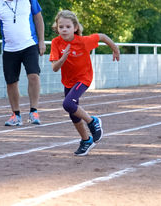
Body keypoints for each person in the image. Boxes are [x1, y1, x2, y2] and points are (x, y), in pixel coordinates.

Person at [49, 10, 119, 156]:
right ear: (57, 27)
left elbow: (103, 37)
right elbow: (55, 68)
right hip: (68, 81)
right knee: (73, 113)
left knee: (68, 104)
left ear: (75, 28)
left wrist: (115, 49)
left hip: (84, 78)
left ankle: (92, 121)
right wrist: (63, 57)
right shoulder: (56, 43)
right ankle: (86, 140)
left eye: (68, 26)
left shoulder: (83, 42)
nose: (64, 29)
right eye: (61, 27)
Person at [0, 0, 46, 126]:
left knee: (34, 76)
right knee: (11, 82)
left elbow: (38, 19)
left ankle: (34, 111)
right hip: (10, 49)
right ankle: (16, 115)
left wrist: (42, 41)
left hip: (29, 44)